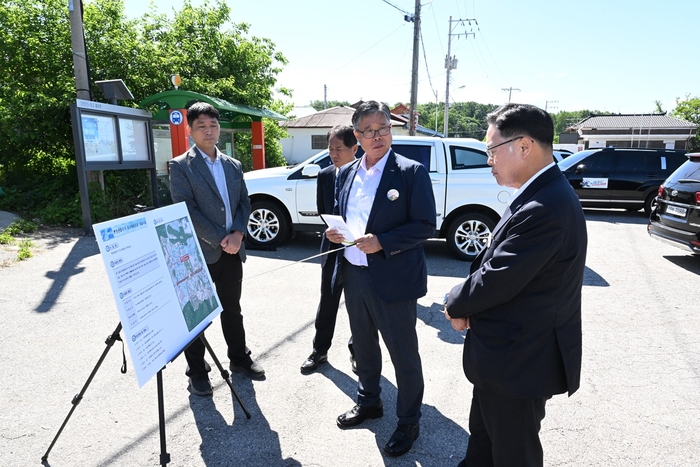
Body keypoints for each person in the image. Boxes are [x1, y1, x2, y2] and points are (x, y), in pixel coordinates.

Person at [443, 103, 588, 466]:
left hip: (520, 362)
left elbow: (498, 278)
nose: (488, 159)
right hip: (508, 359)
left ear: (524, 146)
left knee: (512, 454)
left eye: (492, 150)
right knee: (484, 446)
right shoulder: (539, 193)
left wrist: (454, 303)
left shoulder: (546, 206)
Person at [326, 101, 436, 457]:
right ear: (356, 136)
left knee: (403, 354)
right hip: (354, 273)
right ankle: (369, 401)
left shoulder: (410, 172)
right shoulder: (346, 173)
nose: (378, 136)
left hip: (394, 276)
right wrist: (335, 233)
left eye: (384, 128)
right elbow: (344, 217)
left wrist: (383, 242)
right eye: (369, 131)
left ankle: (408, 421)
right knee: (364, 346)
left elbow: (425, 226)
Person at [169, 101, 265, 397]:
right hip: (199, 252)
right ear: (190, 130)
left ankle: (239, 359)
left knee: (232, 309)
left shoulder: (232, 164)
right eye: (201, 126)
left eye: (213, 125)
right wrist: (220, 238)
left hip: (232, 251)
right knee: (197, 314)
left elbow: (244, 203)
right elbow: (185, 209)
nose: (209, 131)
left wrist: (237, 233)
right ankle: (197, 371)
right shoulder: (180, 166)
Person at [300, 125, 358, 374]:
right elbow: (323, 209)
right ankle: (319, 350)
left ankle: (359, 352)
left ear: (354, 148)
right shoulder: (324, 175)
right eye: (330, 148)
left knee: (359, 306)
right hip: (332, 247)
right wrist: (329, 230)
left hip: (359, 249)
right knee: (328, 301)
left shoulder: (362, 173)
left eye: (339, 149)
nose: (333, 154)